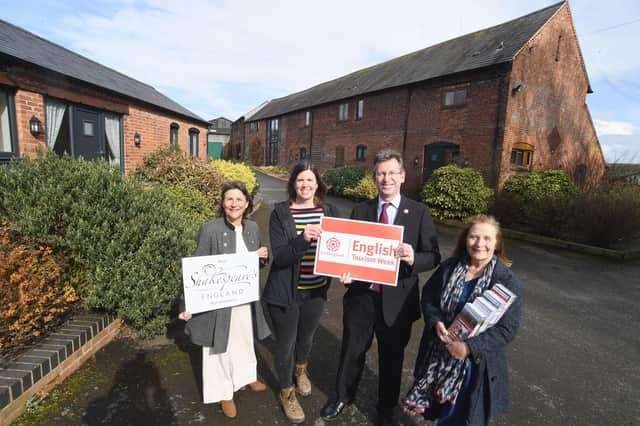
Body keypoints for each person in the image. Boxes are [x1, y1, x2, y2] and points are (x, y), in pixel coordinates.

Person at [321, 149, 441, 425]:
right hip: (362, 297)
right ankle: (342, 396)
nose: (386, 178)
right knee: (352, 350)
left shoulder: (419, 212)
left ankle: (385, 409)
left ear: (402, 176)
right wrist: (344, 271)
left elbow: (434, 255)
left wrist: (413, 257)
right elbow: (348, 253)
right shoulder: (361, 210)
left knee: (392, 359)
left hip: (397, 302)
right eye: (380, 173)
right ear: (374, 178)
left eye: (391, 173)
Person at [402, 214, 521, 425]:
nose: (479, 244)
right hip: (440, 354)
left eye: (487, 239)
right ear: (465, 239)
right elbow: (429, 297)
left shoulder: (505, 280)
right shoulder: (450, 267)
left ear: (497, 243)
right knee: (443, 413)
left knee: (463, 417)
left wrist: (468, 347)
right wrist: (435, 320)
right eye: (474, 237)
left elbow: (507, 328)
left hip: (474, 365)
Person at [178, 181, 271, 419]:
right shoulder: (209, 229)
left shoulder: (252, 228)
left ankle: (246, 378)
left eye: (239, 199)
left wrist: (262, 256)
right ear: (222, 203)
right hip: (218, 304)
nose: (234, 204)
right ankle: (224, 392)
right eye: (229, 199)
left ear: (247, 203)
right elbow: (197, 268)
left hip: (245, 301)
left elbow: (255, 264)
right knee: (219, 348)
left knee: (243, 342)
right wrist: (186, 302)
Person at [263, 161, 340, 424]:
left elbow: (341, 250)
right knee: (285, 346)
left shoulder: (329, 211)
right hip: (287, 293)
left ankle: (301, 371)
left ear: (317, 183)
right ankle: (286, 392)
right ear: (292, 184)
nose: (305, 185)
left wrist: (346, 270)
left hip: (317, 291)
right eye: (300, 180)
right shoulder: (281, 213)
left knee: (306, 339)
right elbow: (282, 257)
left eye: (310, 180)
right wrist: (303, 238)